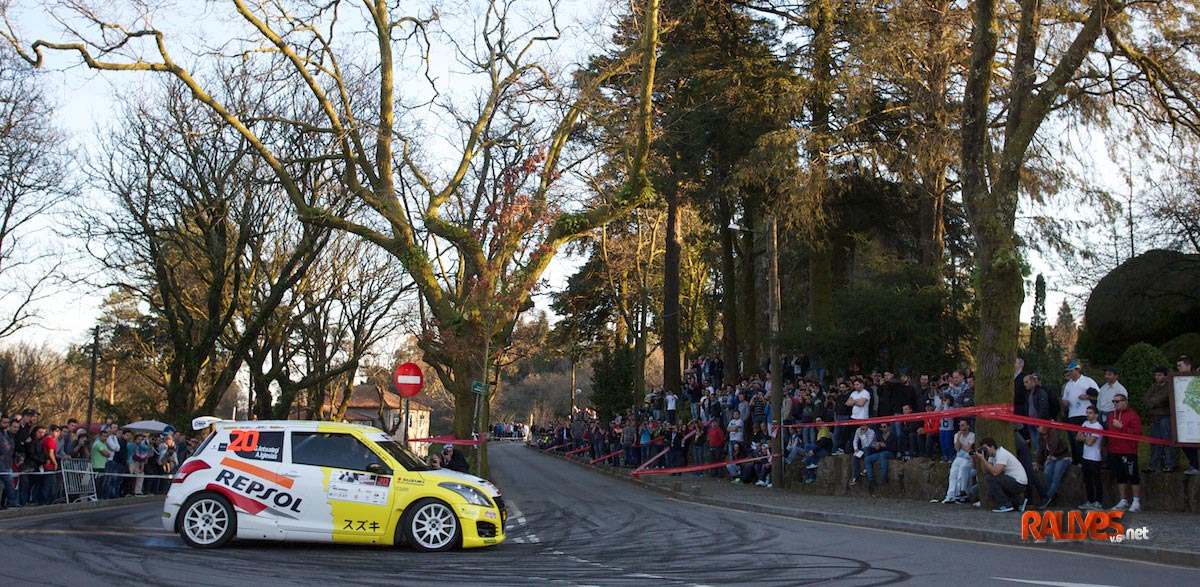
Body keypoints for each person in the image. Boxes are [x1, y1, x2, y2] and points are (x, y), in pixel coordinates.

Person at [1107, 393, 1143, 512]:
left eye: (1118, 401)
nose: (1115, 404)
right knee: (1120, 476)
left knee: (1133, 476)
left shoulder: (1133, 416)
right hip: (1114, 449)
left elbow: (1137, 433)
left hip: (1128, 450)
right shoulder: (1112, 415)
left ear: (1125, 402)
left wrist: (1122, 426)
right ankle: (1123, 500)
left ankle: (1136, 501)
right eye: (1114, 401)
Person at [975, 437, 1028, 513]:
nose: (984, 450)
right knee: (990, 494)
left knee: (989, 479)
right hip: (1012, 481)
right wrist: (982, 459)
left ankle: (1006, 505)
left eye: (985, 448)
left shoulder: (1002, 454)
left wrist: (983, 459)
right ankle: (1019, 501)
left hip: (1019, 483)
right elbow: (985, 471)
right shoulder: (992, 456)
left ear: (992, 447)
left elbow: (995, 472)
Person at [1061, 361, 1099, 465]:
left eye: (1071, 371)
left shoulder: (1088, 381)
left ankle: (1088, 460)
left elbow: (1098, 394)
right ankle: (1078, 460)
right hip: (1073, 414)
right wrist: (1065, 402)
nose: (1069, 373)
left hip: (1086, 414)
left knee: (1086, 437)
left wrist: (1087, 397)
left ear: (1077, 370)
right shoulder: (1068, 385)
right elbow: (1064, 398)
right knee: (1075, 438)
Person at [1144, 366, 1175, 473]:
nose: (1157, 377)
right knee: (1154, 442)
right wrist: (1153, 402)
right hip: (1155, 417)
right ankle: (1153, 465)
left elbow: (1159, 399)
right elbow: (1146, 399)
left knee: (1167, 441)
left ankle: (1169, 464)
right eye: (1156, 375)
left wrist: (1153, 402)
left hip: (1165, 417)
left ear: (1166, 376)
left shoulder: (1168, 387)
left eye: (1159, 375)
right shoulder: (1154, 386)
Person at [938, 419, 975, 504]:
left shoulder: (972, 435)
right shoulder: (956, 435)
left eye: (963, 425)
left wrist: (961, 445)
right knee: (952, 475)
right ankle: (950, 495)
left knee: (960, 476)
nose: (961, 427)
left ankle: (959, 494)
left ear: (968, 426)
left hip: (966, 458)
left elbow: (968, 448)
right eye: (960, 425)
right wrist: (958, 438)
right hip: (958, 457)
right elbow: (957, 448)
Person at [1077, 405, 1104, 510]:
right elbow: (1078, 436)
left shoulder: (1098, 427)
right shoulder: (1085, 423)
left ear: (1096, 415)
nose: (1088, 415)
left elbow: (1090, 442)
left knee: (1096, 480)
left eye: (1090, 413)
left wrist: (1084, 438)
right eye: (1087, 412)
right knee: (1087, 480)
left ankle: (1098, 501)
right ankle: (1090, 500)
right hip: (1085, 456)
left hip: (1094, 457)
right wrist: (1085, 438)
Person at [1038, 425, 1071, 508]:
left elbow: (1054, 445)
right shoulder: (1041, 436)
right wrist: (1038, 463)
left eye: (1038, 426)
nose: (1037, 429)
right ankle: (1052, 493)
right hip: (1053, 457)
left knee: (1056, 476)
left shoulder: (1053, 432)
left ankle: (1047, 497)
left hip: (1062, 456)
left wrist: (1049, 457)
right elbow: (1041, 450)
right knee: (1046, 473)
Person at [1178, 355, 1200, 475]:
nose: (1179, 368)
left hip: (1196, 414)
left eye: (1180, 366)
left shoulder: (1196, 377)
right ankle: (1194, 464)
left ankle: (1195, 465)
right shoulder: (1178, 380)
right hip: (1187, 416)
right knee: (1184, 441)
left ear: (1188, 366)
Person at [863, 424, 898, 491]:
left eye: (884, 427)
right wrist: (877, 447)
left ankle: (883, 477)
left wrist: (885, 445)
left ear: (889, 427)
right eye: (881, 427)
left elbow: (895, 449)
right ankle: (871, 480)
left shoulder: (893, 436)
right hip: (881, 452)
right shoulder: (879, 436)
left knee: (883, 455)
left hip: (890, 453)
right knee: (867, 459)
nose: (882, 428)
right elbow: (875, 448)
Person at [1, 417, 19, 509]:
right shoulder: (2, 435)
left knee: (6, 484)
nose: (6, 424)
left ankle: (4, 503)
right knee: (8, 482)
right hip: (2, 463)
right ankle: (11, 502)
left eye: (7, 422)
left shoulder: (9, 436)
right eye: (4, 422)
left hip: (8, 462)